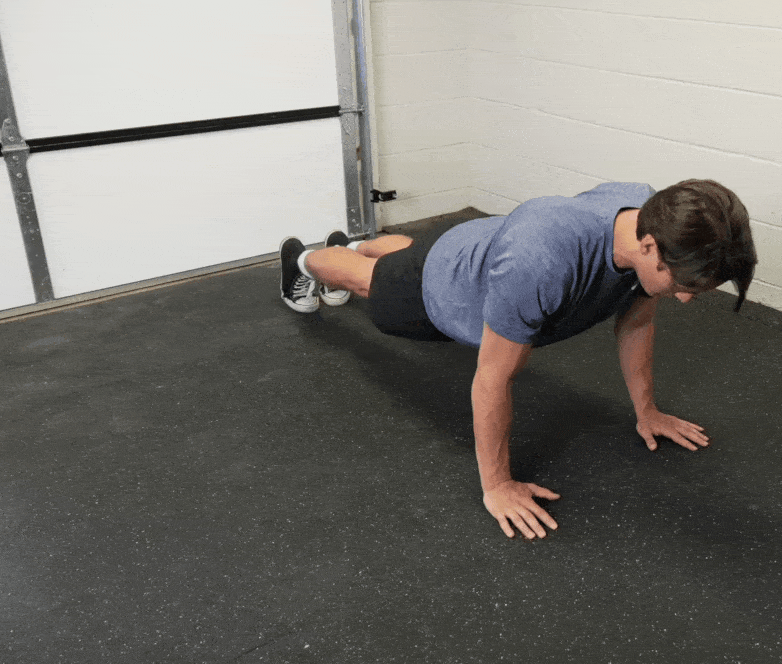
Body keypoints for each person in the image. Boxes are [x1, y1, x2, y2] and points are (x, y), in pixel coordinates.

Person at [278, 180, 757, 540]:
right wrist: (498, 484)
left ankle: (356, 242)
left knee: (406, 253)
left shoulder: (647, 211)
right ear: (650, 246)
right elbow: (491, 378)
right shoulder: (541, 263)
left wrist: (647, 411)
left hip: (477, 244)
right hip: (444, 290)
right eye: (682, 286)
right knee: (371, 279)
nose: (686, 300)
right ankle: (303, 260)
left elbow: (634, 322)